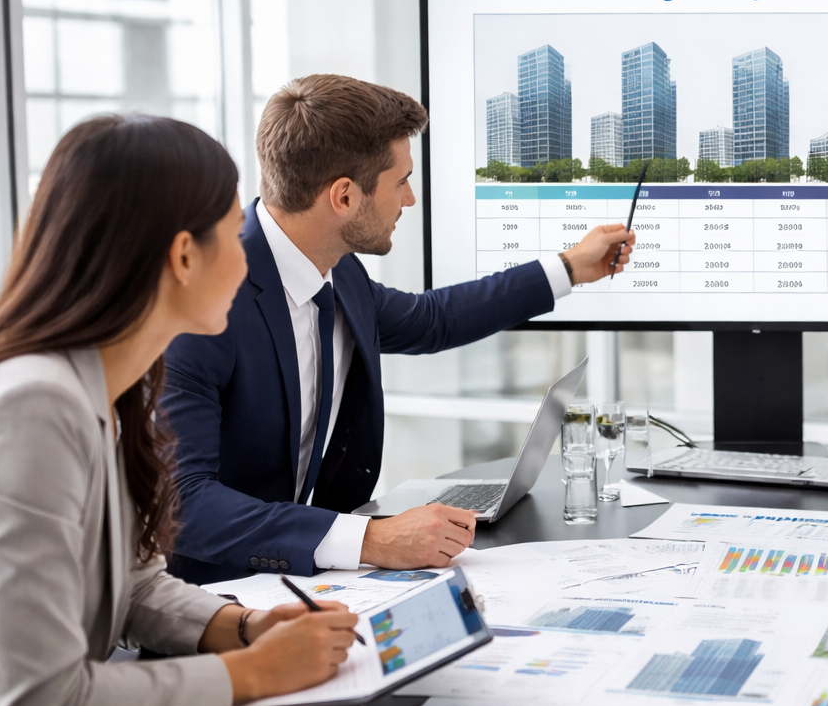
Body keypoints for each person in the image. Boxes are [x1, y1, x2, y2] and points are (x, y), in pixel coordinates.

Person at [162, 74, 633, 584]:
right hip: (210, 595)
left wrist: (569, 268)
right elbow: (182, 502)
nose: (408, 199)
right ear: (344, 196)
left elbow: (432, 320)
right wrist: (373, 539)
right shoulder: (204, 301)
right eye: (400, 181)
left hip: (303, 581)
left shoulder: (338, 272)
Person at [0, 115, 362, 706]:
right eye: (234, 232)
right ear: (184, 256)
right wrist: (251, 674)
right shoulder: (37, 405)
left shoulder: (105, 386)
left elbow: (133, 586)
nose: (248, 255)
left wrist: (244, 627)